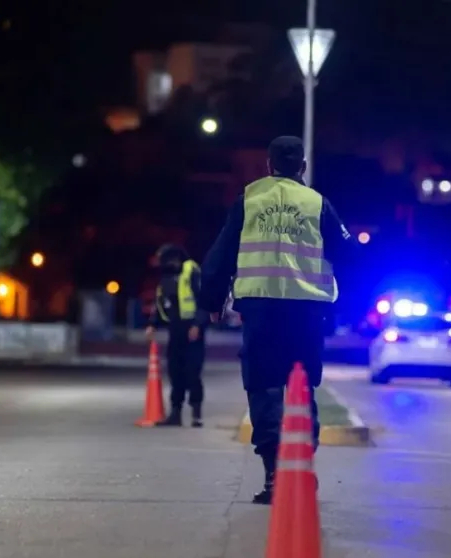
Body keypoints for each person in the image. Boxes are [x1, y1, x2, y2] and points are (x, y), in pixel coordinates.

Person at [198, 136, 356, 504]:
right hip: (306, 313)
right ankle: (301, 468)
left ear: (268, 165)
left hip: (261, 311)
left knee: (264, 387)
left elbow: (222, 251)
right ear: (301, 166)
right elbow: (349, 255)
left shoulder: (249, 200)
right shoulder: (317, 204)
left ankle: (272, 476)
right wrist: (350, 303)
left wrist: (212, 298)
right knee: (301, 386)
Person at [144, 244, 208, 427]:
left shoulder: (191, 271)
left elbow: (203, 301)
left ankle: (196, 414)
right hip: (176, 330)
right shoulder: (166, 277)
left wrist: (197, 324)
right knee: (175, 372)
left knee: (193, 373)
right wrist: (152, 325)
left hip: (193, 332)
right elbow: (160, 302)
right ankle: (175, 414)